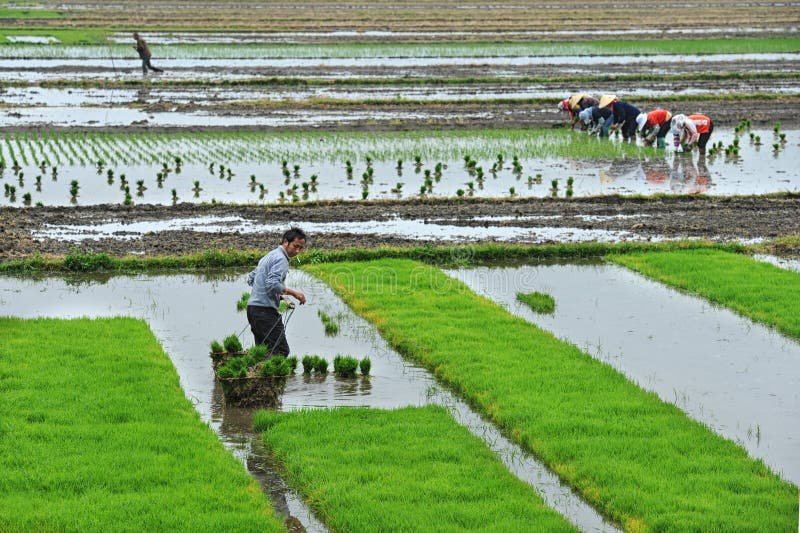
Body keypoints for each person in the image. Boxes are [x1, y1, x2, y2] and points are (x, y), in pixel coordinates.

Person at [246, 228, 307, 356]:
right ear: (286, 242)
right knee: (281, 351)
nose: (297, 251)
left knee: (264, 352)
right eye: (295, 246)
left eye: (301, 248)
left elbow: (252, 278)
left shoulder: (269, 255)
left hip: (253, 309)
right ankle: (272, 375)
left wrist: (274, 294)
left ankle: (262, 374)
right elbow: (272, 283)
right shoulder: (281, 259)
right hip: (265, 313)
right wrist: (295, 293)